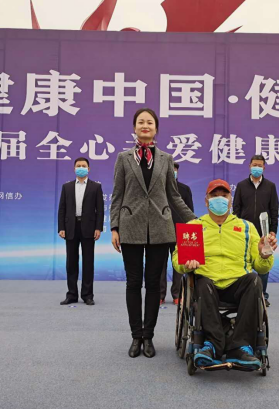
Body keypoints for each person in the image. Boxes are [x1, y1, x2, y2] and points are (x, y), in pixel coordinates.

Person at [110, 108, 196, 359]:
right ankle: (135, 336)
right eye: (141, 122)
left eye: (149, 122)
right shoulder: (123, 158)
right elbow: (117, 195)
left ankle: (148, 336)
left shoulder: (166, 159)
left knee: (153, 285)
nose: (145, 125)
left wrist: (195, 221)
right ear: (134, 128)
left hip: (160, 228)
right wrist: (114, 227)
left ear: (156, 128)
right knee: (133, 283)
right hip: (130, 227)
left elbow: (174, 196)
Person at [173, 179, 276, 369]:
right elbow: (177, 259)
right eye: (214, 196)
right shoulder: (194, 226)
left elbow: (262, 268)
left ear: (230, 200)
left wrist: (264, 254)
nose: (219, 199)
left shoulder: (246, 227)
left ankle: (240, 347)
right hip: (207, 286)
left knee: (254, 280)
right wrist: (186, 264)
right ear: (206, 201)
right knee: (202, 282)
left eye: (224, 195)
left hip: (237, 286)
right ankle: (212, 344)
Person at [232, 154, 279, 307]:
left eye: (259, 165)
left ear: (264, 167)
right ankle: (243, 294)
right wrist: (236, 228)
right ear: (249, 166)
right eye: (254, 165)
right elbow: (236, 209)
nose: (257, 168)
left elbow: (274, 210)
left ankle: (262, 295)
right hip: (244, 231)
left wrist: (273, 231)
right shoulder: (241, 185)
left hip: (263, 232)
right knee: (243, 262)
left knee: (264, 262)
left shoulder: (270, 186)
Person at [58, 157, 104, 306]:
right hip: (71, 228)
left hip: (89, 228)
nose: (81, 168)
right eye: (78, 166)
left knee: (88, 263)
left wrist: (98, 228)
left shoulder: (95, 187)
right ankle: (72, 294)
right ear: (74, 169)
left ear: (88, 169)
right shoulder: (67, 187)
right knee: (71, 263)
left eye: (84, 166)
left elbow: (100, 210)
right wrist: (61, 228)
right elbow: (62, 209)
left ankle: (87, 295)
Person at [160, 162, 194, 305]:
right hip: (161, 232)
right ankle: (160, 295)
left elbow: (190, 212)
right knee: (160, 265)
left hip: (181, 232)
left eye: (174, 170)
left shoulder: (184, 189)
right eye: (170, 169)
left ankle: (177, 294)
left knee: (180, 265)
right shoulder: (158, 189)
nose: (172, 172)